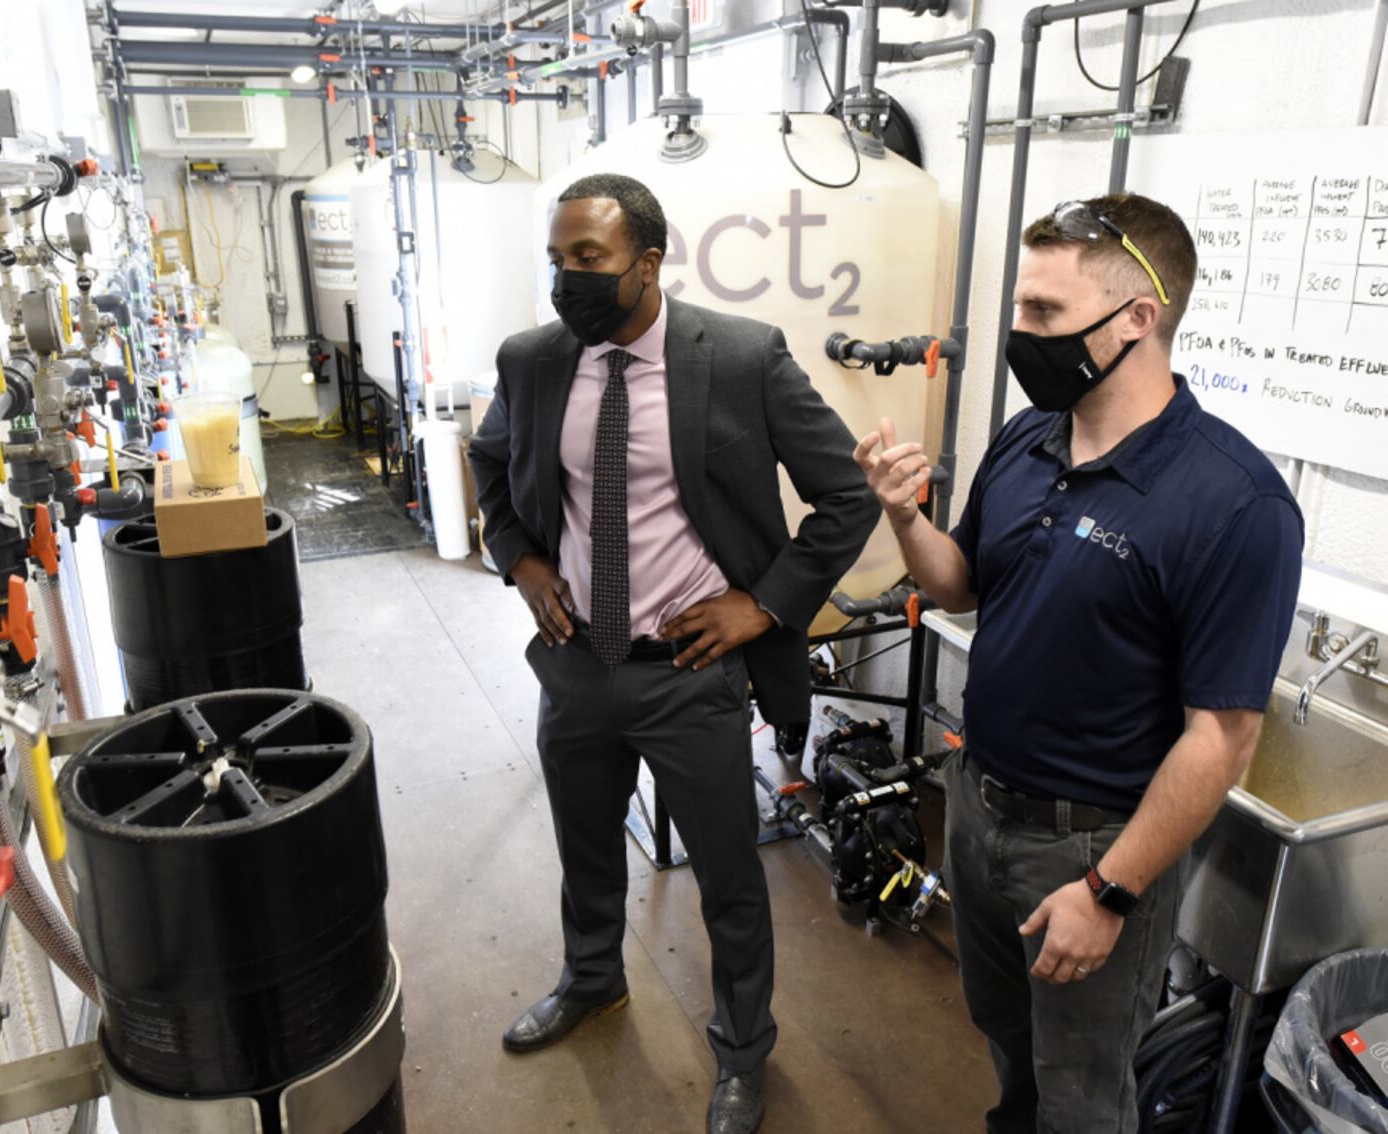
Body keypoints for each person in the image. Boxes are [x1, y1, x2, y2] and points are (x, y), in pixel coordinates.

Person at [856, 193, 1303, 1133]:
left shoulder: (1234, 503)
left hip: (1092, 847)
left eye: (1045, 316)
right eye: (1022, 308)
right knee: (1010, 1044)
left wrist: (1109, 893)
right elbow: (961, 588)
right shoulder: (1028, 441)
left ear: (1139, 319)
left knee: (1085, 1093)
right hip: (978, 806)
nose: (1021, 334)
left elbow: (1220, 741)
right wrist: (905, 518)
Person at [468, 173, 879, 1134]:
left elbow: (846, 497)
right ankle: (592, 980)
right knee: (583, 848)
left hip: (689, 673)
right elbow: (492, 461)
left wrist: (764, 607)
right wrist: (520, 557)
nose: (567, 280)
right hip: (576, 663)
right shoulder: (535, 360)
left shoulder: (738, 358)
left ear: (647, 264)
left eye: (589, 260)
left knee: (730, 879)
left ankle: (741, 1050)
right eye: (557, 259)